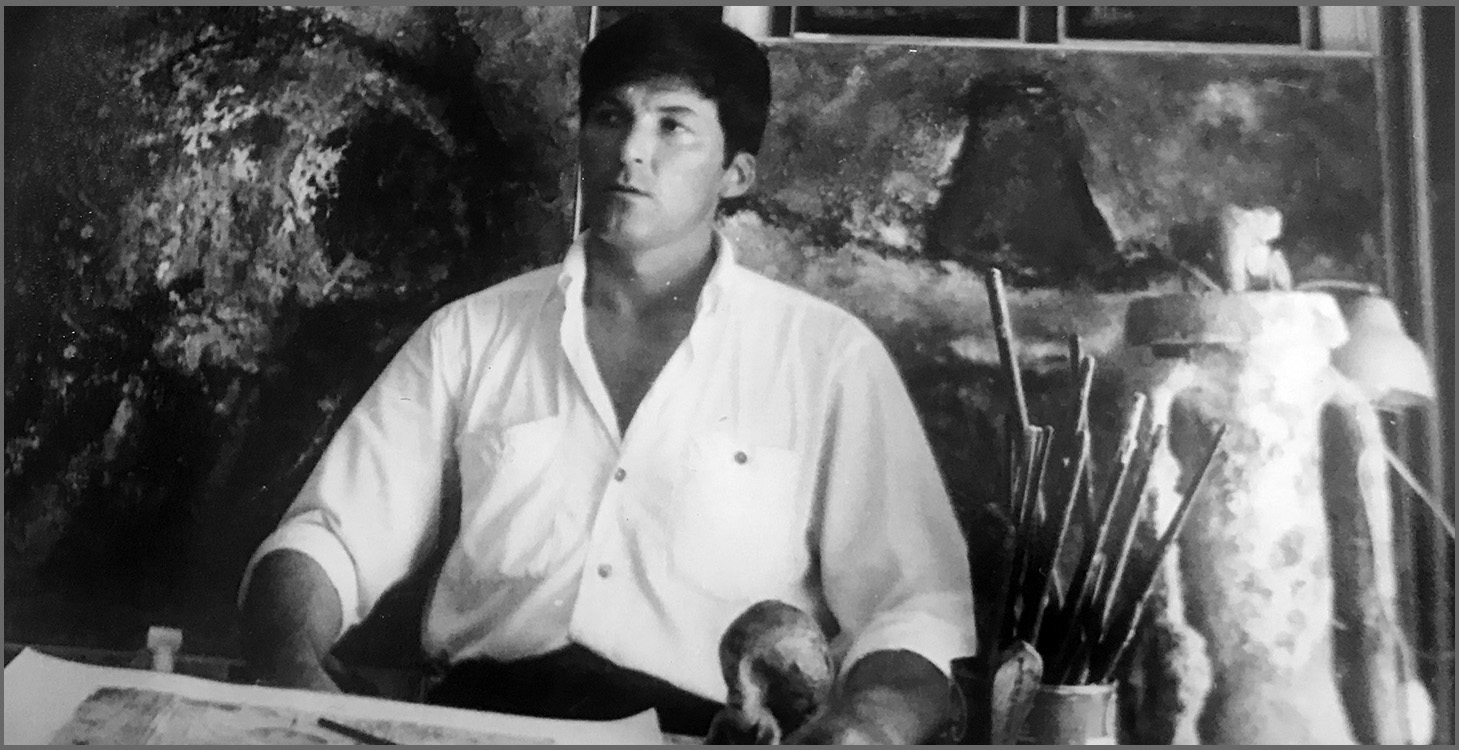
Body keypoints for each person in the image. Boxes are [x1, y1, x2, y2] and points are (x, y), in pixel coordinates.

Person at [239, 12, 976, 743]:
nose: (631, 151)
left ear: (736, 173)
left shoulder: (827, 356)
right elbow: (329, 537)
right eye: (610, 117)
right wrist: (287, 664)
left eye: (672, 125)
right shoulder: (469, 334)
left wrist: (870, 727)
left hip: (708, 734)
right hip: (477, 725)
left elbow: (917, 606)